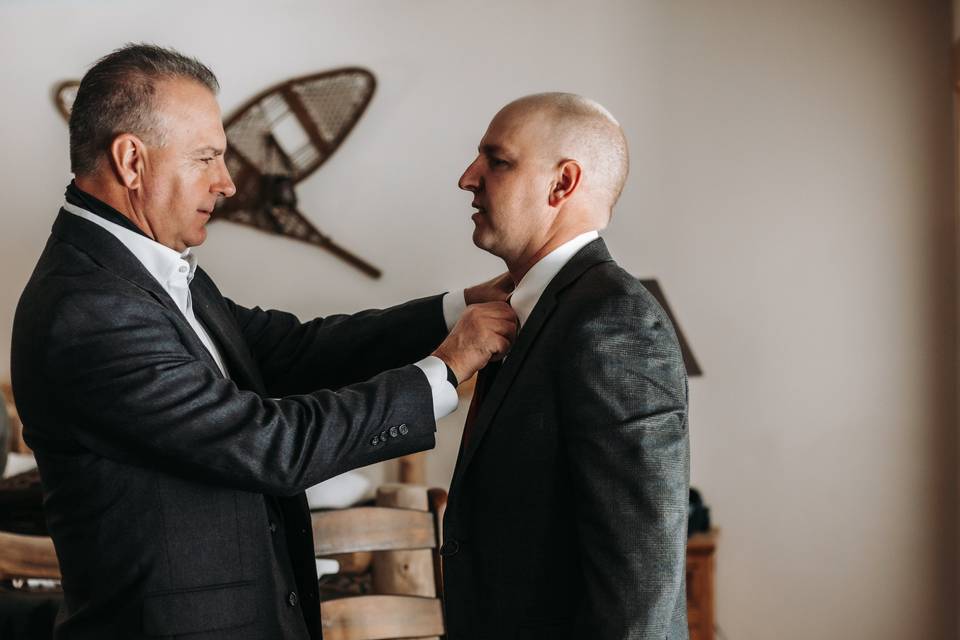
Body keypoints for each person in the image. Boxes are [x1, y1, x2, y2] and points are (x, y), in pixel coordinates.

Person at [10, 44, 516, 640]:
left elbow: (291, 351)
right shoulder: (88, 308)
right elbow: (269, 446)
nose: (226, 183)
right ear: (131, 160)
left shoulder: (150, 269)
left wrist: (453, 308)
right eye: (207, 158)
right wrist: (448, 367)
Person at [440, 93, 690, 639]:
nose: (467, 177)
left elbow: (641, 569)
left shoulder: (614, 318)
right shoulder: (536, 310)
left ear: (562, 183)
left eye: (496, 160)